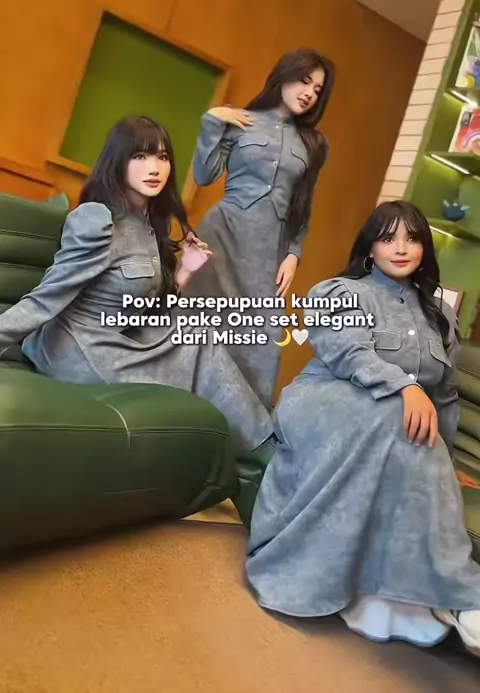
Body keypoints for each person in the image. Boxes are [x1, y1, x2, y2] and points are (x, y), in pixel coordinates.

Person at [245, 199, 480, 657]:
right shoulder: (340, 292)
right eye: (388, 238)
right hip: (326, 401)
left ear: (425, 249)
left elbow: (445, 397)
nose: (400, 248)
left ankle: (401, 598)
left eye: (412, 239)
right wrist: (405, 387)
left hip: (392, 418)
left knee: (410, 427)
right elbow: (348, 354)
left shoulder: (441, 316)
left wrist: (446, 461)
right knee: (399, 415)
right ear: (370, 247)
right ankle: (465, 594)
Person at [0, 116, 273, 457]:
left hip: (123, 337)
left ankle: (263, 449)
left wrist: (184, 273)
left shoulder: (150, 223)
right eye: (140, 156)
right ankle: (262, 454)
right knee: (184, 375)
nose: (154, 168)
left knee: (198, 336)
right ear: (118, 162)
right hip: (81, 348)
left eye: (162, 157)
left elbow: (143, 306)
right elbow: (45, 299)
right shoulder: (96, 220)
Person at [188, 48, 335, 407]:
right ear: (284, 76)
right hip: (220, 237)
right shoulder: (242, 121)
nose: (309, 93)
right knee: (197, 324)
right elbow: (205, 175)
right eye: (304, 81)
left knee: (261, 338)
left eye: (317, 89)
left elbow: (304, 206)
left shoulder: (315, 145)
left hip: (269, 251)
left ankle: (243, 429)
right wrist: (212, 122)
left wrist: (294, 254)